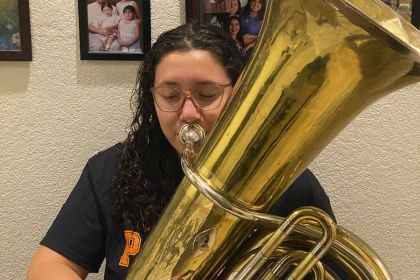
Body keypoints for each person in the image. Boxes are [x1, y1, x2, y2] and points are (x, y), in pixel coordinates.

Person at [27, 23, 336, 279]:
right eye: (170, 95)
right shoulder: (111, 169)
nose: (188, 112)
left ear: (237, 94)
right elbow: (51, 266)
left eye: (206, 94)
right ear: (153, 100)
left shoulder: (286, 181)